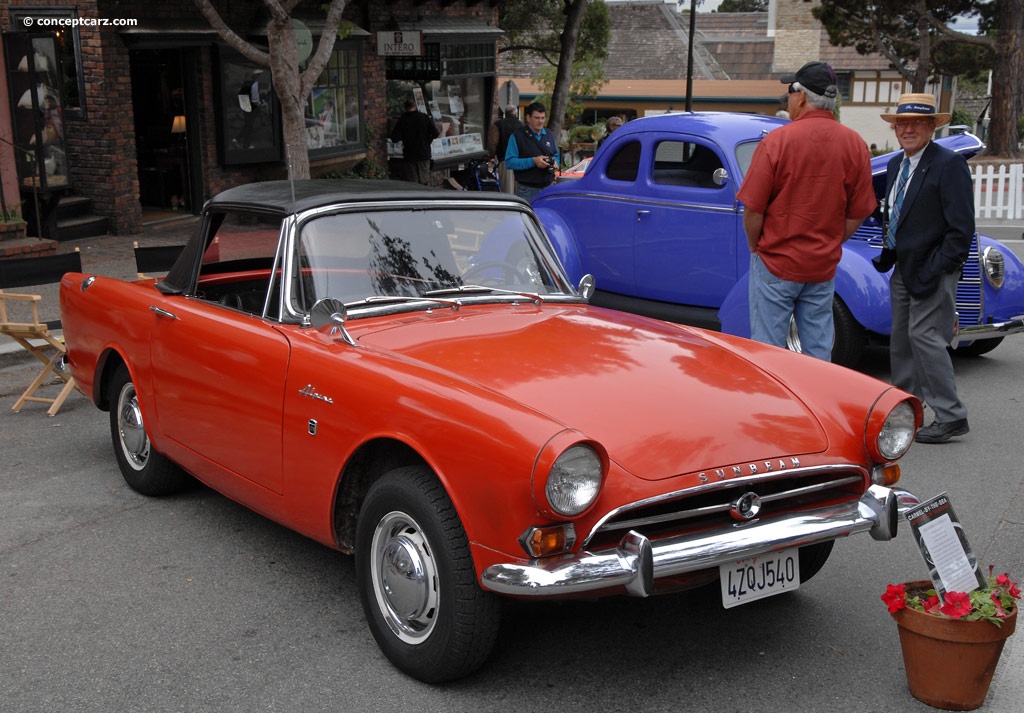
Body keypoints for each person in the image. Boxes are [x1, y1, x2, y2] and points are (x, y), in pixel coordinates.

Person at [737, 61, 876, 361]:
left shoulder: (777, 141)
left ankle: (773, 407)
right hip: (821, 264)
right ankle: (816, 405)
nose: (787, 99)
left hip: (776, 260)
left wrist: (754, 245)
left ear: (801, 96)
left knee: (768, 352)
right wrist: (833, 239)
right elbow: (859, 211)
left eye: (790, 91)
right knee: (818, 351)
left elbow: (753, 207)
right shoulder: (855, 144)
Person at [872, 93, 973, 443]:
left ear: (932, 127)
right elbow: (896, 213)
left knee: (925, 338)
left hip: (934, 268)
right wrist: (888, 253)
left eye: (917, 123)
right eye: (902, 123)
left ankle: (951, 414)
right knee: (900, 339)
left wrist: (940, 268)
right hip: (903, 267)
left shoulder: (949, 164)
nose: (908, 129)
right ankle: (905, 408)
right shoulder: (899, 164)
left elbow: (961, 229)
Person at [504, 101, 559, 202]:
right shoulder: (517, 136)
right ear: (528, 118)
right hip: (527, 190)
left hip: (548, 187)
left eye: (542, 118)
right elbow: (510, 162)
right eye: (537, 118)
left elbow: (556, 155)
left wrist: (555, 163)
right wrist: (533, 161)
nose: (540, 121)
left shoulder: (549, 134)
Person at [390, 98, 439, 185]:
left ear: (405, 108)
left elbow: (394, 138)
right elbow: (435, 133)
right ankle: (424, 197)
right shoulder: (424, 117)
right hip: (424, 153)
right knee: (424, 180)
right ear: (415, 106)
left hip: (410, 154)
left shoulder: (403, 120)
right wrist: (427, 141)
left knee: (412, 182)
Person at [490, 104, 522, 194]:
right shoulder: (521, 126)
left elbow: (493, 142)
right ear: (516, 113)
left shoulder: (498, 125)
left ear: (505, 113)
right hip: (520, 162)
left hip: (505, 160)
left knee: (507, 191)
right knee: (518, 191)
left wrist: (490, 155)